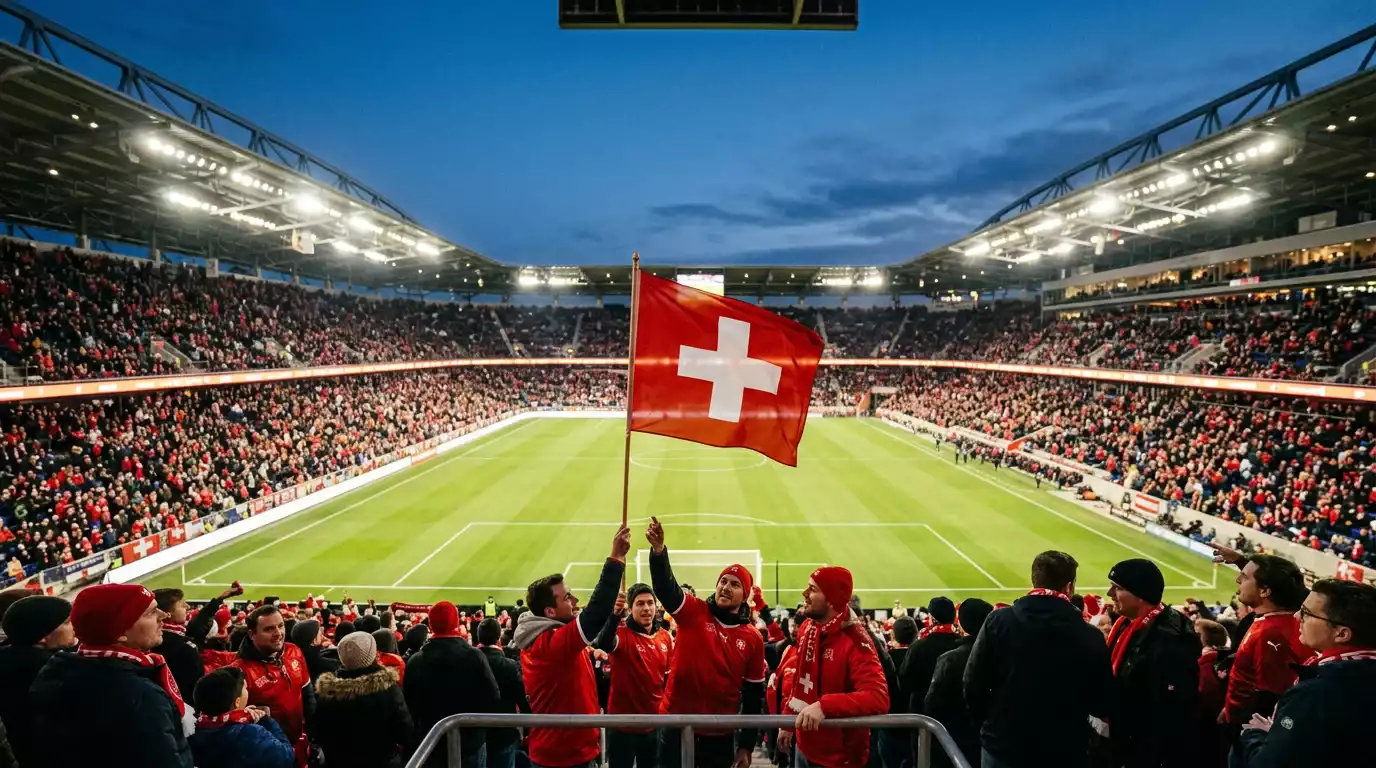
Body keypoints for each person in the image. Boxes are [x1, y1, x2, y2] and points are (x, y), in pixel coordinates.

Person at [963, 551, 1113, 768]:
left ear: (1034, 579)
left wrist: (992, 725)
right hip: (1064, 749)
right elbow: (1101, 700)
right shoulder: (1090, 635)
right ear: (1069, 586)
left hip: (1004, 745)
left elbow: (972, 681)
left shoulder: (997, 621)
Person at [29, 583, 195, 768]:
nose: (164, 615)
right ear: (120, 632)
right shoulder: (138, 696)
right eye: (151, 612)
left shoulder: (59, 670)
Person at [646, 516, 767, 768]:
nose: (726, 587)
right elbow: (666, 589)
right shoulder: (694, 611)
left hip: (719, 733)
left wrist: (746, 746)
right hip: (675, 725)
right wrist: (658, 552)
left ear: (745, 595)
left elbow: (753, 696)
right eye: (723, 581)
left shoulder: (752, 638)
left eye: (735, 584)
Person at [513, 525, 629, 768]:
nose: (575, 601)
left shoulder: (544, 639)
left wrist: (590, 652)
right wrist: (616, 557)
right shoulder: (551, 644)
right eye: (567, 597)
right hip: (565, 757)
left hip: (566, 750)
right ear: (549, 612)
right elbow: (594, 614)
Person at [1233, 579, 1376, 767]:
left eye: (1306, 613)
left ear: (1341, 634)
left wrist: (1255, 734)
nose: (1296, 617)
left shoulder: (1315, 694)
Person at [776, 567, 889, 768]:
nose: (804, 593)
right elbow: (801, 679)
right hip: (804, 745)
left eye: (812, 589)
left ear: (831, 600)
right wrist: (788, 720)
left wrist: (824, 706)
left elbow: (878, 697)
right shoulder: (808, 627)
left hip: (839, 759)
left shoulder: (856, 642)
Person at [1098, 559, 1201, 768]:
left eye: (1118, 588)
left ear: (1140, 594)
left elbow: (1167, 713)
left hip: (1142, 751)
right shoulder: (1126, 623)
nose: (1110, 593)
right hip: (1122, 739)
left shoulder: (1169, 641)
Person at [404, 600, 502, 768]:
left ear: (431, 624)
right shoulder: (475, 656)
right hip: (469, 740)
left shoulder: (416, 661)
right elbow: (492, 698)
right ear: (456, 623)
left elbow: (409, 704)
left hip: (430, 741)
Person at [1222, 554, 1311, 727]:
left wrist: (1241, 722)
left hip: (1249, 726)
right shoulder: (1272, 620)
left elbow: (1270, 696)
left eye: (1244, 577)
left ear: (1265, 591)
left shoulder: (1270, 634)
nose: (1238, 580)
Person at [594, 582, 673, 768]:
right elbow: (604, 642)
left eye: (650, 603)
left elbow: (667, 680)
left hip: (653, 725)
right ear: (630, 608)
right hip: (622, 726)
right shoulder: (621, 633)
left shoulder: (665, 637)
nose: (646, 608)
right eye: (640, 604)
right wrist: (615, 614)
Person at [314, 631, 414, 768]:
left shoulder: (327, 694)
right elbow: (405, 732)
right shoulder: (388, 690)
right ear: (372, 655)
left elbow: (320, 733)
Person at [231, 604, 315, 765]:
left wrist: (314, 737)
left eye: (280, 626)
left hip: (299, 743)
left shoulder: (294, 651)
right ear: (252, 634)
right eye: (269, 629)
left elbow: (308, 696)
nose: (278, 633)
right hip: (267, 755)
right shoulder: (239, 671)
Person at [0, 595, 75, 766]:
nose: (74, 627)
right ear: (42, 636)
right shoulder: (54, 673)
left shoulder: (9, 662)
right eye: (67, 623)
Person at [925, 599, 994, 768]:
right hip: (990, 740)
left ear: (962, 625)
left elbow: (932, 704)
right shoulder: (1003, 656)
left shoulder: (949, 659)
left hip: (954, 739)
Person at [188, 667, 296, 768]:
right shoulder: (250, 734)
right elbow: (286, 756)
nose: (247, 690)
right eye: (245, 688)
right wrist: (266, 721)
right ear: (237, 702)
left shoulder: (194, 732)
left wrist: (241, 715)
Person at [155, 583, 242, 697]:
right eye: (182, 605)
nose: (187, 606)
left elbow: (197, 623)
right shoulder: (177, 645)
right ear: (167, 614)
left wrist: (220, 599)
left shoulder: (172, 634)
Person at [476, 617, 529, 768]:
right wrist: (528, 728)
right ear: (498, 637)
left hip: (476, 734)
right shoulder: (510, 666)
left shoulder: (469, 662)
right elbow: (522, 699)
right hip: (503, 734)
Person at [899, 597, 961, 714]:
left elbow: (905, 678)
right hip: (956, 710)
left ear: (932, 618)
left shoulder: (918, 646)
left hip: (922, 712)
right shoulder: (962, 644)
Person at [290, 618, 340, 682]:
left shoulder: (294, 660)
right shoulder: (327, 664)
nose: (322, 636)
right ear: (313, 641)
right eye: (320, 634)